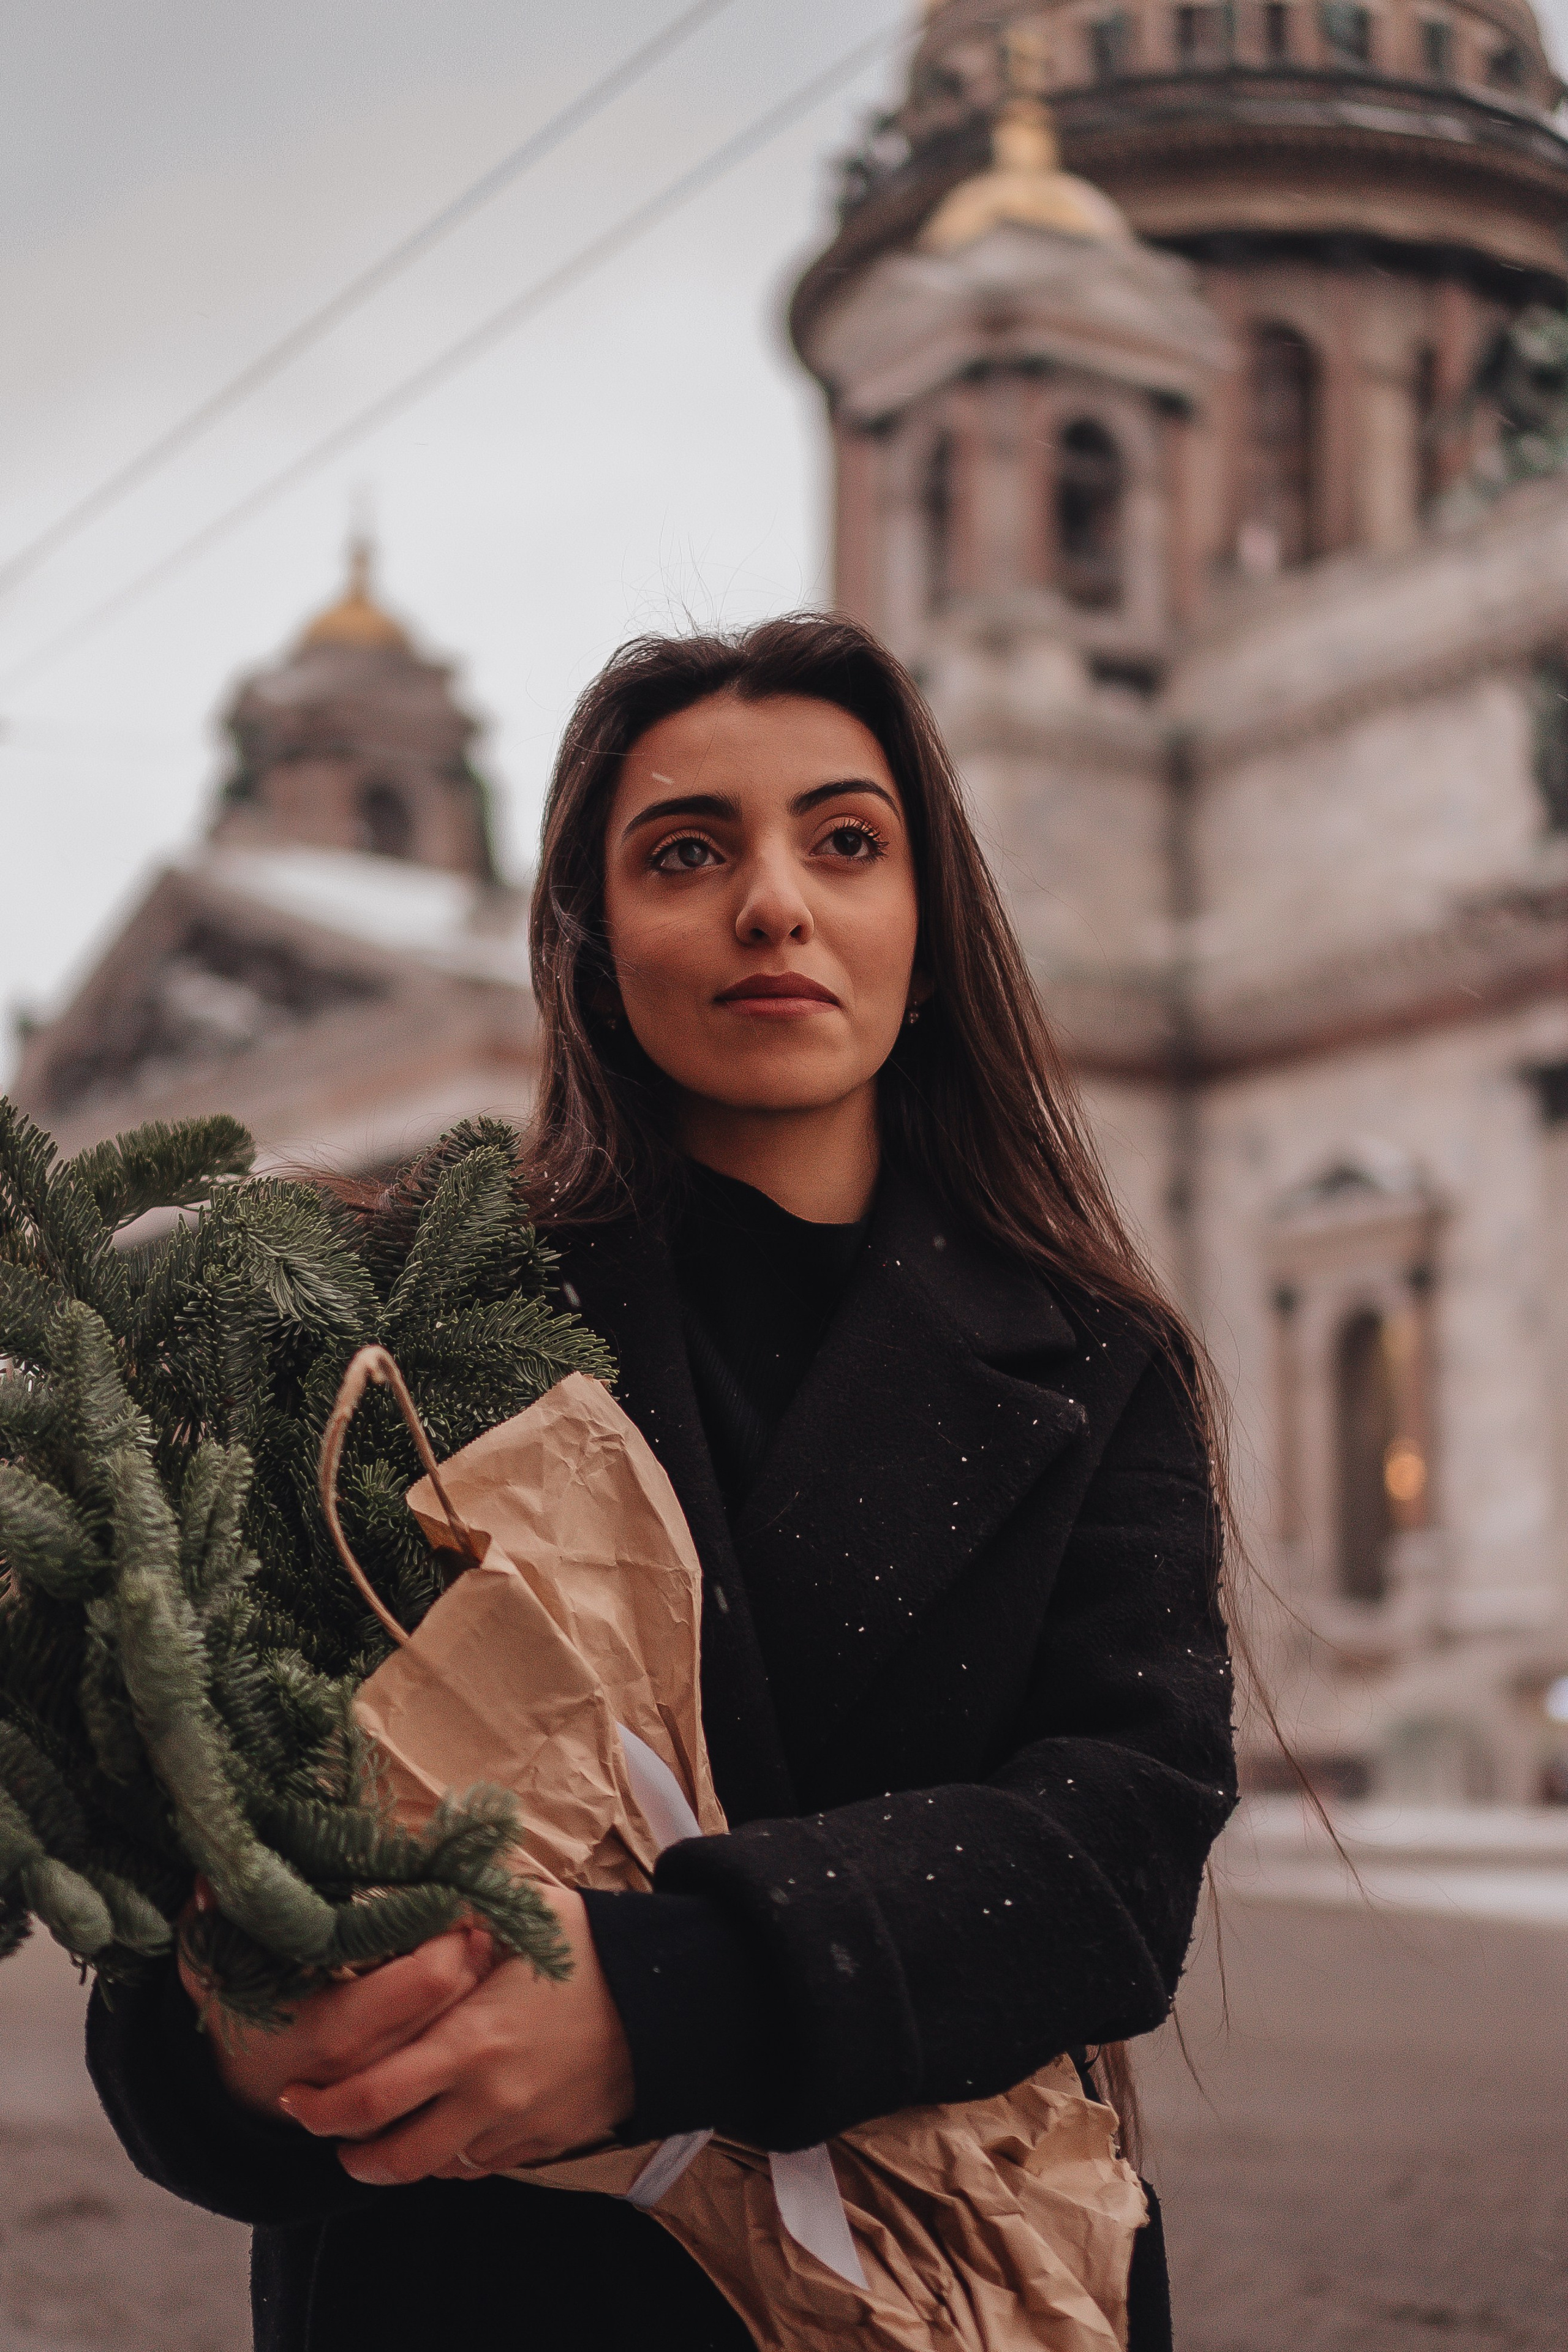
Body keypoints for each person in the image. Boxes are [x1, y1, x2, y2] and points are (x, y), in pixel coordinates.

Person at [89, 614, 1237, 2351]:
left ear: (926, 938)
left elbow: (1117, 1848)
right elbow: (178, 1887)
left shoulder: (1092, 1362)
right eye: (687, 852)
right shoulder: (386, 1334)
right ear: (586, 942)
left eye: (845, 842)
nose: (771, 902)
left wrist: (664, 2002)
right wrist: (245, 2045)